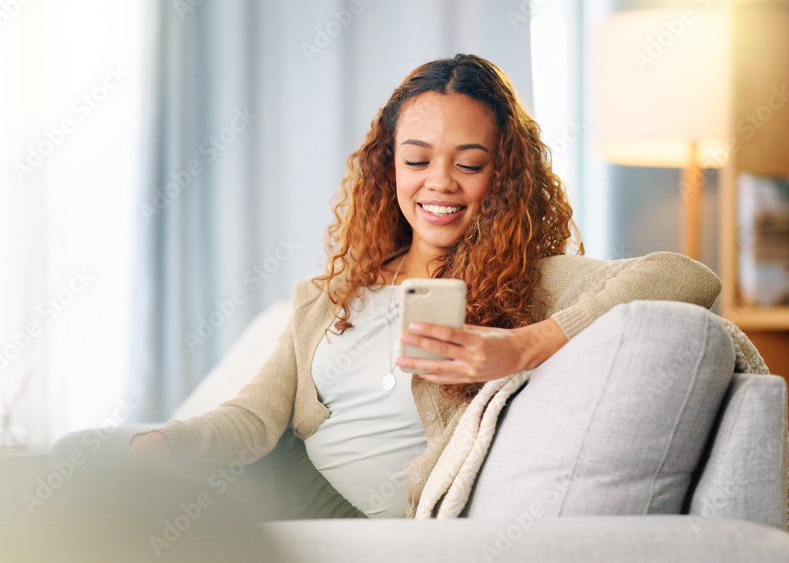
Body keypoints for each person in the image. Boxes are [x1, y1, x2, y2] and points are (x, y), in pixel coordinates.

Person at [126, 53, 722, 519]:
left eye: (468, 164)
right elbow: (253, 418)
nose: (440, 183)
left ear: (503, 174)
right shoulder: (327, 294)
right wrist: (161, 447)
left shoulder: (531, 281)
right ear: (387, 167)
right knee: (109, 465)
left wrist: (521, 346)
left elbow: (687, 276)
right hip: (288, 481)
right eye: (417, 161)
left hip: (365, 519)